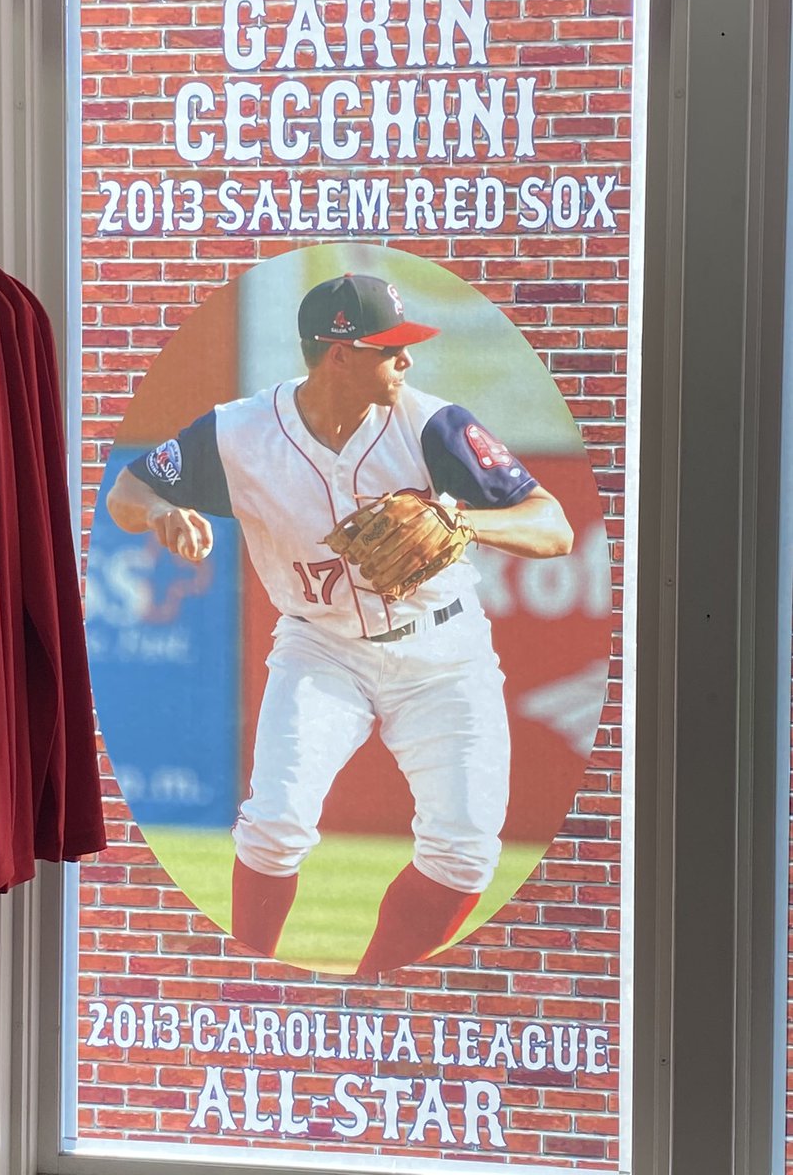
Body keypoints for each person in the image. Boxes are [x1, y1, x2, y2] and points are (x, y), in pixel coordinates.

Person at [107, 272, 573, 976]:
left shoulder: (434, 424)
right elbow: (128, 489)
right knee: (273, 826)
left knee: (465, 850)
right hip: (321, 647)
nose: (407, 361)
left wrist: (461, 519)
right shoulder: (238, 435)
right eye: (392, 348)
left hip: (445, 652)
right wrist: (162, 513)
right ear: (339, 355)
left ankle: (370, 991)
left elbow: (554, 525)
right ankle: (247, 981)